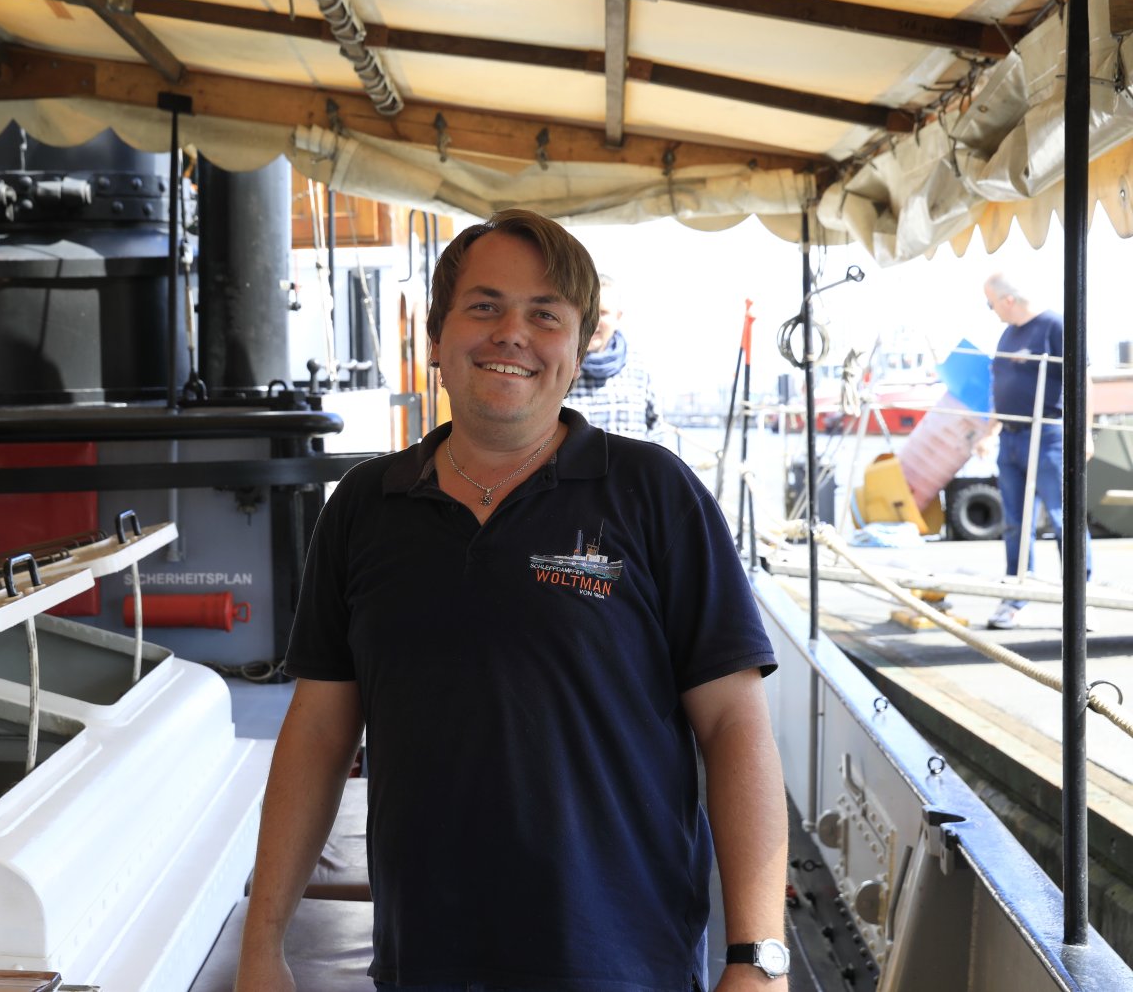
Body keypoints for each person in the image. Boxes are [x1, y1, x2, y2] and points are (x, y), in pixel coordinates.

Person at [236, 209, 789, 992]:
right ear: (436, 337)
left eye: (545, 315)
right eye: (485, 306)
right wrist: (263, 944)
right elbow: (319, 732)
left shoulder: (655, 493)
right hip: (424, 966)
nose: (513, 334)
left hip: (626, 968)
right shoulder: (363, 506)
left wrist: (758, 958)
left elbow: (735, 726)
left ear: (579, 347)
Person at [983, 272, 1092, 631]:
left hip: (1047, 435)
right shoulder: (1006, 335)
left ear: (1008, 300)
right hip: (1010, 438)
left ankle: (1081, 600)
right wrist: (990, 431)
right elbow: (1002, 387)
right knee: (1015, 522)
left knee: (1064, 519)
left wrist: (1084, 433)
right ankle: (1016, 598)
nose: (991, 310)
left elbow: (1083, 379)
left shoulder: (1054, 327)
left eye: (990, 304)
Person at [564, 273, 660, 439]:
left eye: (603, 313)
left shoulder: (639, 368)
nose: (593, 321)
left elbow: (656, 430)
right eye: (587, 311)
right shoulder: (558, 367)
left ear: (618, 317)